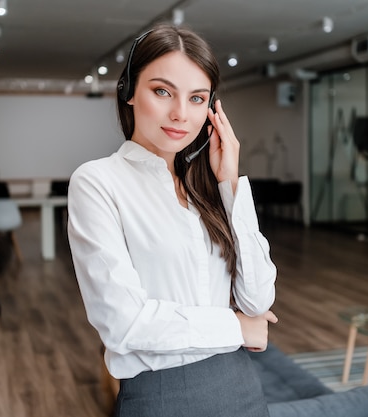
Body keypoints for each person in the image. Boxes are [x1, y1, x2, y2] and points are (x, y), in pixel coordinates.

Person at [67, 23, 277, 417]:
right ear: (129, 91)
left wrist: (231, 185)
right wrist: (236, 327)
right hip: (162, 396)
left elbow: (259, 298)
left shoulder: (208, 189)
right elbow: (124, 323)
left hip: (241, 386)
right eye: (162, 91)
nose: (181, 113)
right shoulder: (97, 182)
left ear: (212, 111)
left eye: (197, 98)